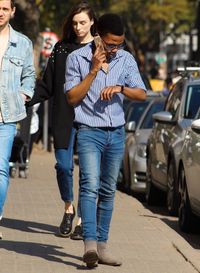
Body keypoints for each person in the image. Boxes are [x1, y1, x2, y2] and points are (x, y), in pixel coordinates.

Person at [64, 13, 147, 267]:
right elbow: (71, 98)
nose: (114, 49)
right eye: (111, 44)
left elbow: (142, 94)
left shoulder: (126, 59)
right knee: (89, 186)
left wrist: (121, 88)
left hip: (117, 133)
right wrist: (93, 71)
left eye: (119, 44)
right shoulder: (76, 58)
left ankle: (102, 246)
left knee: (108, 190)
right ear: (98, 35)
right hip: (89, 131)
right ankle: (89, 246)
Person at [28, 1, 97, 240]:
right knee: (64, 167)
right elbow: (47, 85)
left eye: (83, 23)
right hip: (64, 118)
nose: (78, 27)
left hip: (92, 119)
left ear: (92, 23)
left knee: (88, 174)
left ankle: (82, 221)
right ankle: (69, 207)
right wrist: (23, 100)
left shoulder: (101, 49)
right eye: (75, 23)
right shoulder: (61, 48)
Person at [0, 0, 35, 239]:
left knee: (1, 169)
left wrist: (23, 94)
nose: (0, 12)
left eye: (4, 8)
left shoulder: (22, 43)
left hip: (6, 116)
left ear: (12, 11)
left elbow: (30, 75)